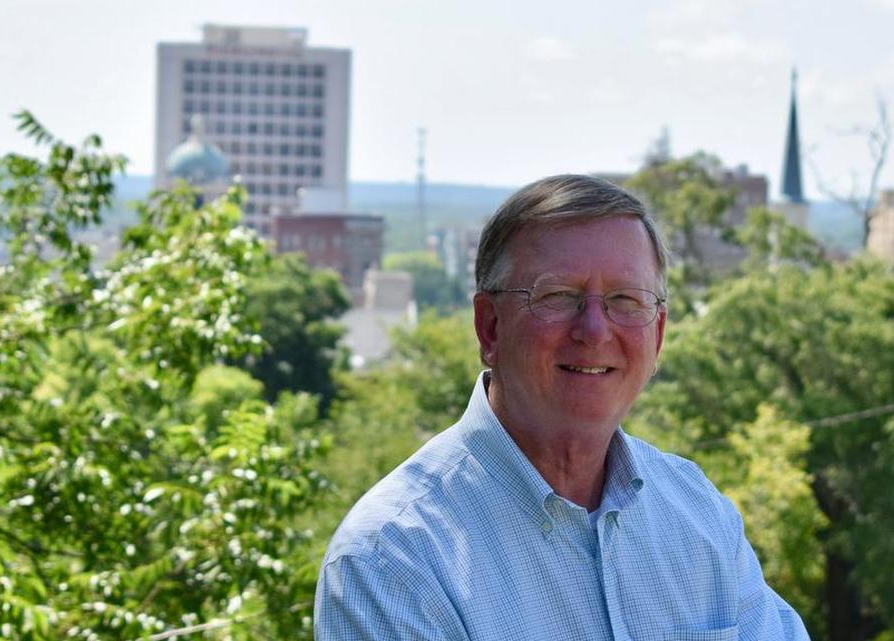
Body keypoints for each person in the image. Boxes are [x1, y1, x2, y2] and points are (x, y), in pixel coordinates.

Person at [315, 174, 810, 640]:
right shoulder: (393, 560)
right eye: (558, 296)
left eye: (625, 299)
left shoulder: (698, 513)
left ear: (657, 336)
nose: (594, 331)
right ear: (490, 328)